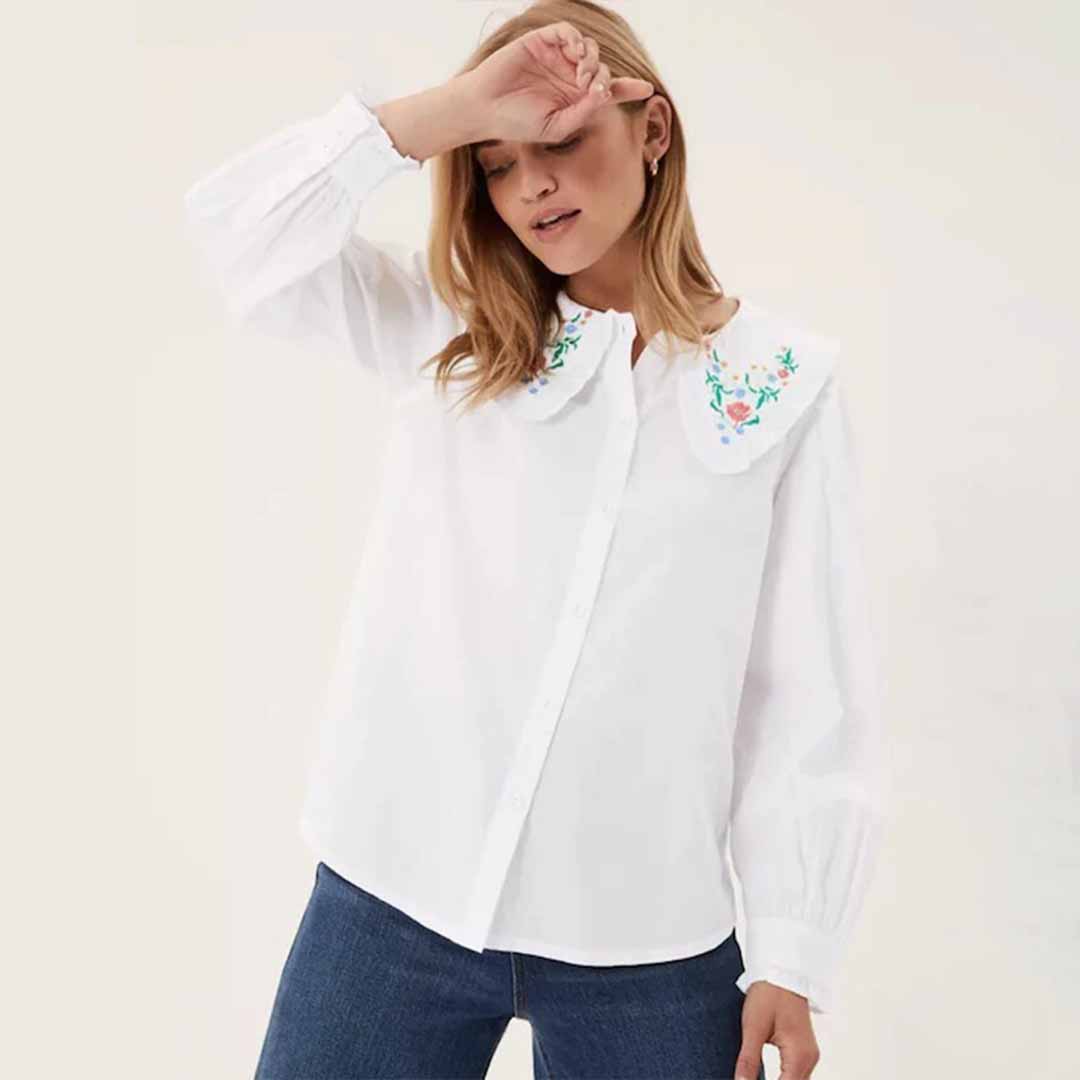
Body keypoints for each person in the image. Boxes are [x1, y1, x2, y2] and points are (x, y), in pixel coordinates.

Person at [182, 2, 891, 1077]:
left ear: (654, 130)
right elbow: (236, 237)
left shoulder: (784, 387)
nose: (531, 188)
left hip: (646, 940)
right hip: (395, 897)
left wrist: (794, 953)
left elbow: (808, 690)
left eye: (560, 142)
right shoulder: (453, 333)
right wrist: (451, 111)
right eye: (499, 163)